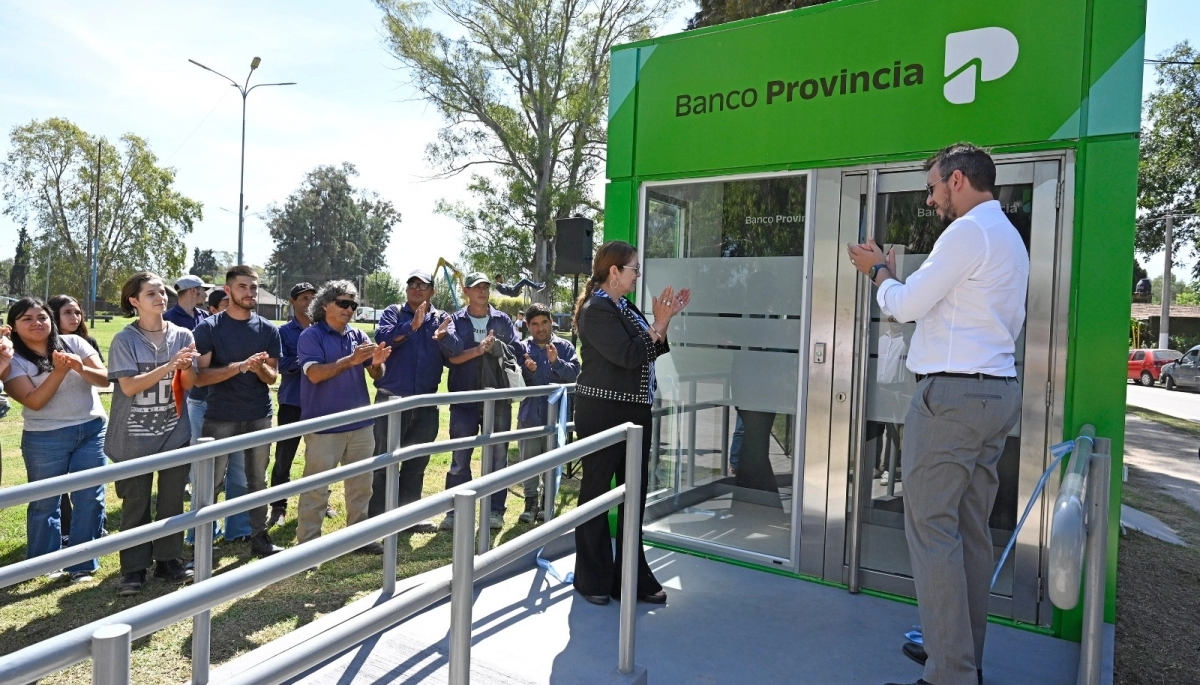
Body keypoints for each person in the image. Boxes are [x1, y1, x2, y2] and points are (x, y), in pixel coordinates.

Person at [847, 143, 1027, 685]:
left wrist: (878, 272)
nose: (929, 199)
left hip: (951, 401)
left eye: (932, 187)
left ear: (956, 181)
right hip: (994, 395)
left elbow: (904, 306)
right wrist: (900, 283)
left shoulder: (968, 232)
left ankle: (950, 673)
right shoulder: (1008, 238)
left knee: (932, 533)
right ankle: (961, 657)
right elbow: (941, 309)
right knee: (969, 534)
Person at [571, 241, 689, 606]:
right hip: (602, 413)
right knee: (595, 493)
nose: (639, 274)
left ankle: (630, 577)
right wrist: (659, 324)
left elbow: (651, 348)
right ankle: (591, 578)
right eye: (634, 268)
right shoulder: (596, 309)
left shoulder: (624, 306)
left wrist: (662, 324)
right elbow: (628, 355)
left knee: (633, 494)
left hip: (635, 413)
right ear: (614, 272)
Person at [106, 272, 201, 595]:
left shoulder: (184, 335)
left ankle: (168, 560)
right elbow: (129, 386)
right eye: (151, 293)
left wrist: (185, 367)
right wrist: (169, 366)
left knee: (172, 502)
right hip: (131, 437)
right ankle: (133, 570)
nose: (160, 297)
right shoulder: (125, 340)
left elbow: (188, 384)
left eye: (162, 291)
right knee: (136, 504)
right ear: (134, 301)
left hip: (174, 432)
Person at [3, 298, 109, 584]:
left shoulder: (74, 342)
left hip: (91, 429)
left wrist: (78, 367)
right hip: (45, 438)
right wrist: (60, 372)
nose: (37, 323)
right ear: (12, 326)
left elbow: (105, 380)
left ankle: (82, 564)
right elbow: (33, 401)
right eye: (26, 319)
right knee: (45, 502)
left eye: (42, 317)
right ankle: (44, 563)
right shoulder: (11, 360)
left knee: (90, 496)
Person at [193, 266, 284, 558]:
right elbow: (201, 377)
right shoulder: (209, 328)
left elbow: (273, 378)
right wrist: (238, 367)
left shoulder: (268, 329)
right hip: (220, 416)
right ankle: (202, 542)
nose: (250, 293)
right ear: (228, 290)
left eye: (254, 287)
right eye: (243, 287)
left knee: (257, 479)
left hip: (259, 414)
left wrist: (259, 369)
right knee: (212, 481)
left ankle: (259, 536)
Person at [296, 280, 389, 553]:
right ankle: (308, 547)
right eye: (343, 303)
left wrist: (376, 364)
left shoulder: (359, 336)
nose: (350, 309)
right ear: (325, 305)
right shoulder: (311, 336)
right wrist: (351, 360)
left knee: (362, 486)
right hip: (324, 426)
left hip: (361, 424)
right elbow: (314, 375)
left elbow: (376, 376)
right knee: (316, 488)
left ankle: (359, 539)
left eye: (353, 304)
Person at [366, 269, 452, 531]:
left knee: (416, 462)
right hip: (392, 400)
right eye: (412, 284)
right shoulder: (393, 312)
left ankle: (408, 518)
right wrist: (412, 326)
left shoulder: (442, 319)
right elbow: (382, 338)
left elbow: (451, 353)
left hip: (425, 403)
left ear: (432, 292)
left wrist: (448, 339)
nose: (416, 288)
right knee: (383, 461)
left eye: (423, 285)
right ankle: (377, 520)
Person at [437, 272, 521, 531]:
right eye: (476, 287)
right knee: (460, 458)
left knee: (498, 457)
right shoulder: (455, 321)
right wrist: (477, 350)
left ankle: (495, 510)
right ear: (466, 291)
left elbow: (516, 351)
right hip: (464, 399)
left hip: (497, 400)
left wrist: (498, 348)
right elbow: (451, 358)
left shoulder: (503, 320)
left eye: (485, 287)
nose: (482, 291)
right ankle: (455, 512)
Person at [46, 294, 104, 547]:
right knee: (57, 487)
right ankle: (65, 529)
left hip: (89, 418)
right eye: (68, 312)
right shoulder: (42, 345)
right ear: (54, 316)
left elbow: (102, 378)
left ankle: (93, 531)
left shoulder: (85, 342)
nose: (75, 317)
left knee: (90, 487)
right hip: (52, 425)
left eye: (77, 312)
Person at [516, 303, 579, 523]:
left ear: (551, 322)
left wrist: (555, 362)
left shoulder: (566, 347)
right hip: (529, 417)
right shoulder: (521, 348)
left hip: (556, 419)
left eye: (544, 322)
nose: (540, 328)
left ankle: (547, 501)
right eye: (534, 324)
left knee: (552, 461)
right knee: (529, 462)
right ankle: (530, 500)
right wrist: (528, 372)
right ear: (528, 325)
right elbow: (515, 383)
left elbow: (574, 375)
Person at [267, 283, 318, 528]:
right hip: (293, 400)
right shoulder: (284, 332)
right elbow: (281, 365)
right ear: (292, 301)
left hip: (321, 402)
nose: (308, 302)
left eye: (312, 298)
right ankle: (278, 506)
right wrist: (309, 360)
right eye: (304, 298)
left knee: (320, 456)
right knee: (284, 456)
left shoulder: (325, 330)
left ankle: (320, 500)